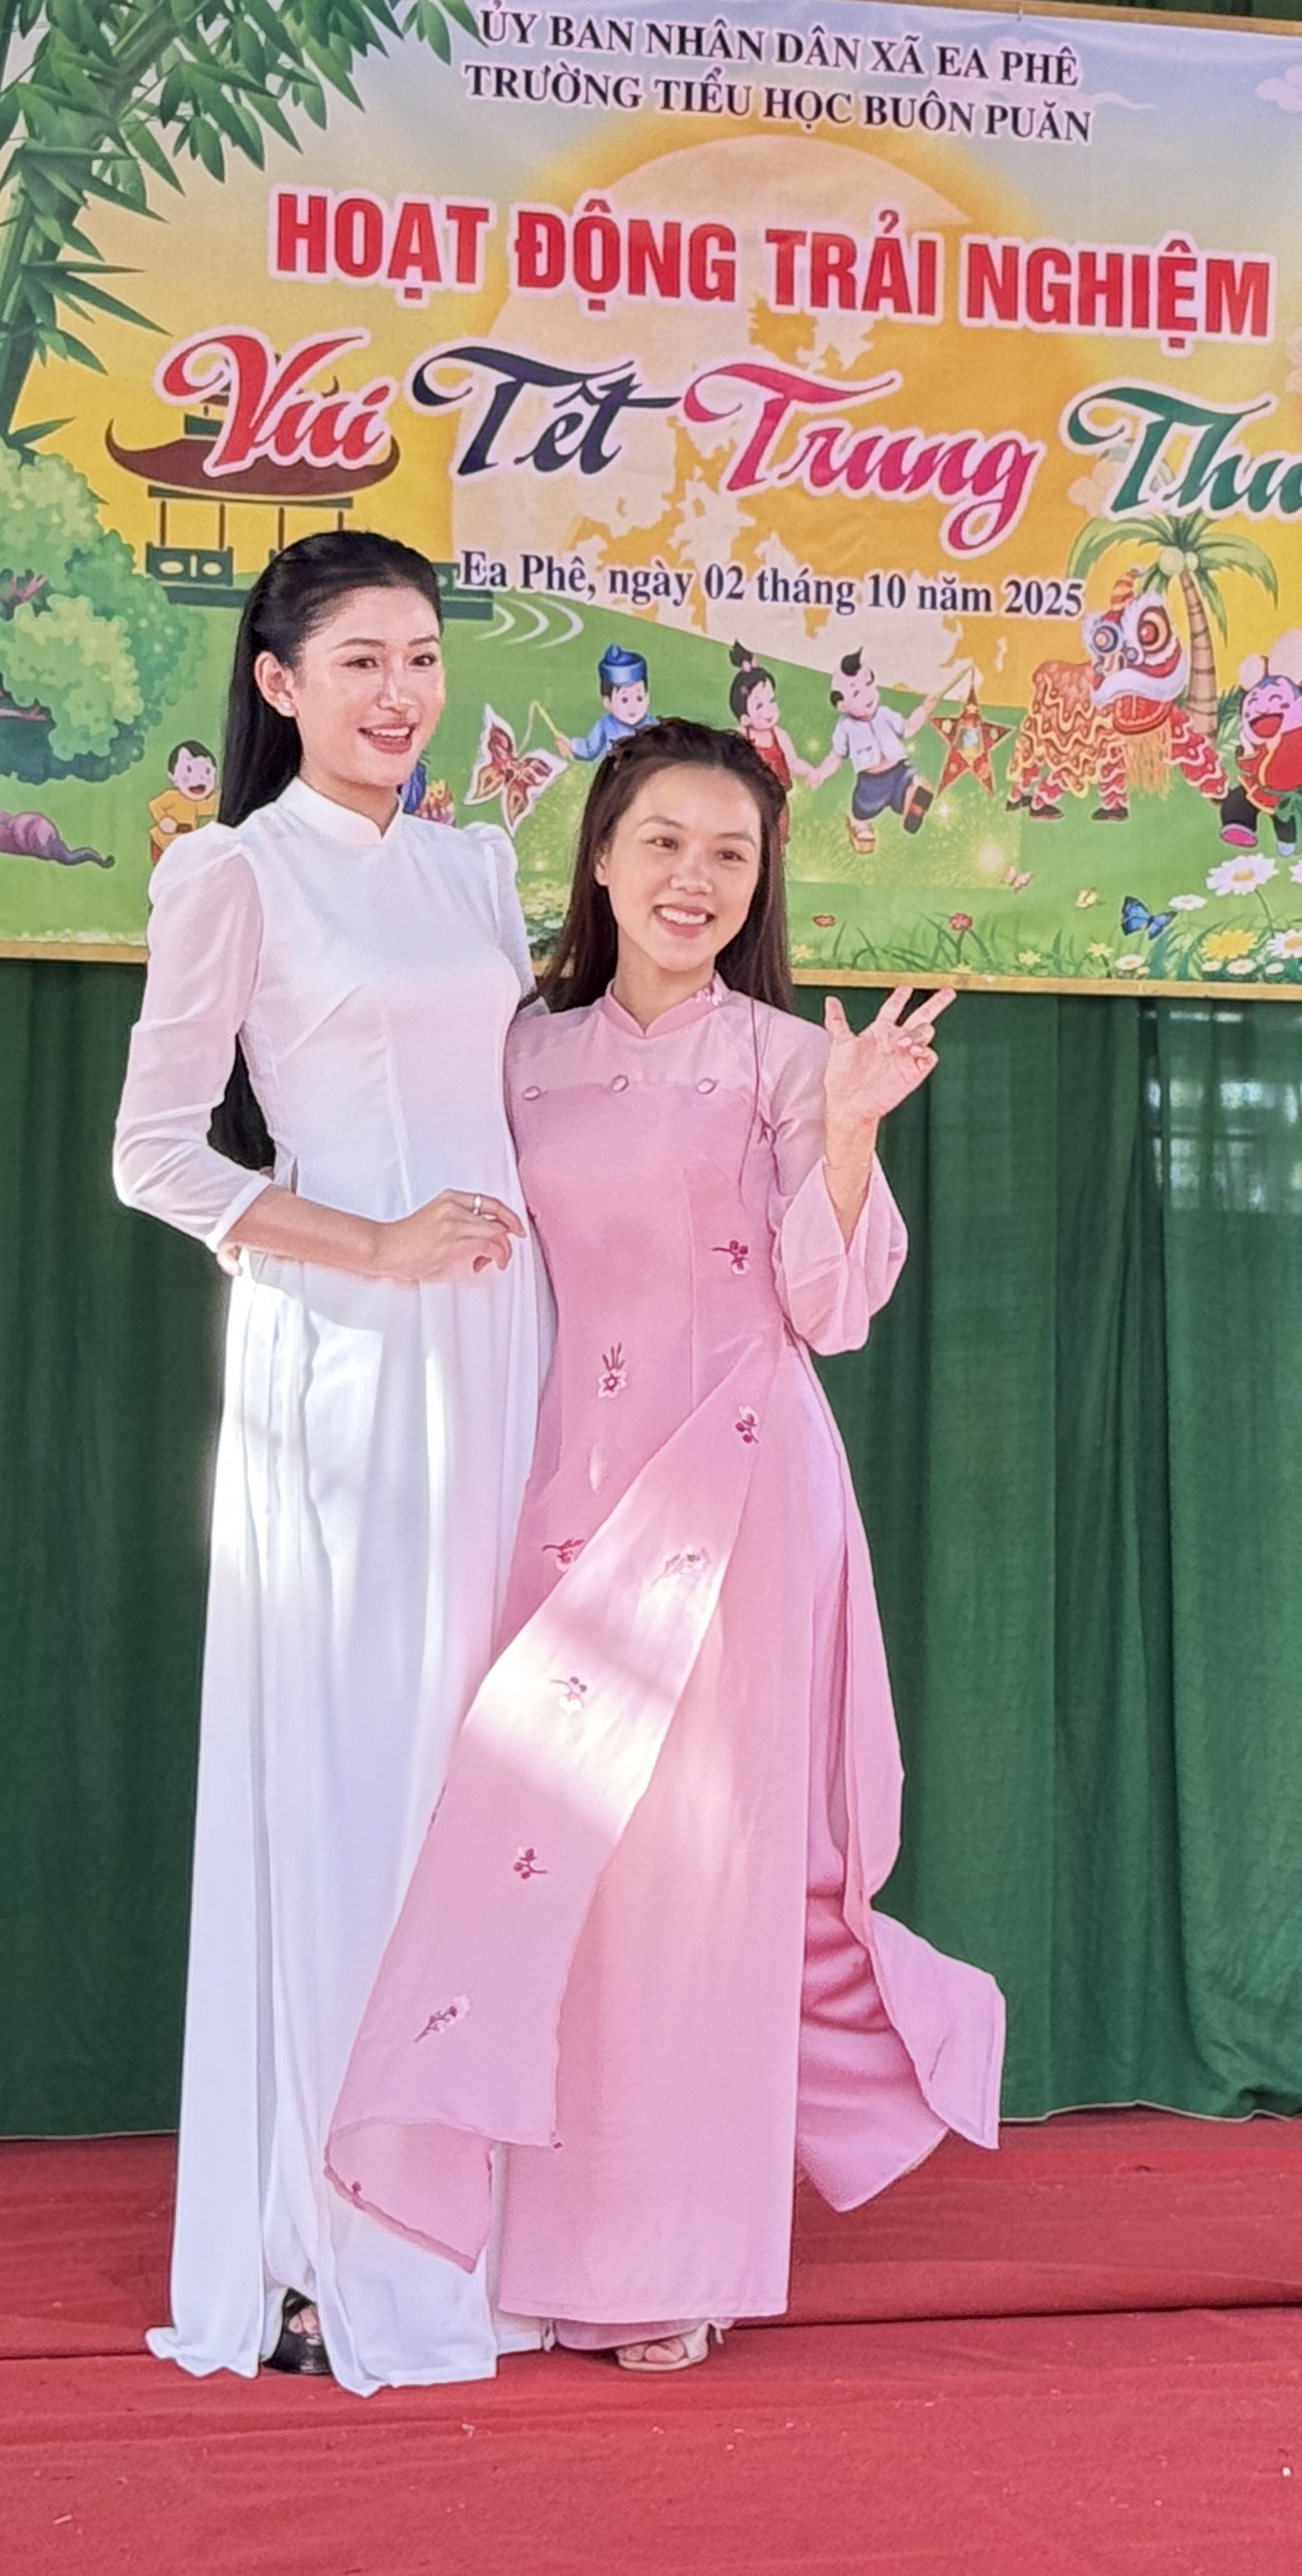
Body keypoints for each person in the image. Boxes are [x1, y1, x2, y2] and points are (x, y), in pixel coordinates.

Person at [328, 719, 1004, 2374]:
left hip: (742, 1484)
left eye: (730, 854)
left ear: (761, 882)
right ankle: (524, 2243)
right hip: (568, 1489)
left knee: (703, 1879)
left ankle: (674, 2258)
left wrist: (848, 1129)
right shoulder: (520, 1055)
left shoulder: (786, 1059)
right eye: (664, 842)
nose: (694, 878)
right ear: (601, 856)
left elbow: (830, 1307)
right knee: (555, 1858)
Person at [111, 529, 554, 2396]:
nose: (401, 691)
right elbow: (155, 1151)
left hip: (505, 1351)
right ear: (279, 683)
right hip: (347, 1357)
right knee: (357, 1781)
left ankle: (487, 2233)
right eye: (361, 659)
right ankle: (319, 2249)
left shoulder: (475, 867)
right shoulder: (232, 870)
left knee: (489, 1777)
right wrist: (368, 1242)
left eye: (424, 657)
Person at [809, 649, 942, 851]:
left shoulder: (885, 715)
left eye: (869, 684)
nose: (867, 695)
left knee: (909, 780)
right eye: (856, 693)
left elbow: (908, 728)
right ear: (842, 705)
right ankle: (857, 822)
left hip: (899, 769)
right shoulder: (846, 728)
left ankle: (911, 797)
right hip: (872, 781)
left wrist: (924, 709)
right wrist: (820, 773)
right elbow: (836, 756)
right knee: (863, 808)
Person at [726, 640, 819, 791]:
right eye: (759, 706)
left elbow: (793, 762)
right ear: (745, 718)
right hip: (751, 793)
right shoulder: (741, 735)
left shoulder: (779, 735)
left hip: (778, 793)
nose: (768, 710)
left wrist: (810, 772)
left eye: (771, 700)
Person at [556, 641, 655, 762]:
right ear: (608, 702)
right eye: (624, 700)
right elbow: (590, 749)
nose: (633, 706)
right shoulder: (605, 724)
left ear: (647, 698)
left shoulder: (653, 724)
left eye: (639, 698)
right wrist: (571, 745)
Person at [147, 739, 218, 862]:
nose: (198, 778)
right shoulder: (172, 797)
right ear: (173, 777)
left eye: (207, 772)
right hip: (163, 843)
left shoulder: (196, 804)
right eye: (189, 770)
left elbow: (211, 806)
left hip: (183, 845)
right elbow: (154, 805)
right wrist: (163, 819)